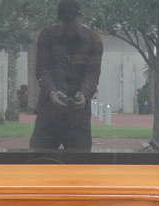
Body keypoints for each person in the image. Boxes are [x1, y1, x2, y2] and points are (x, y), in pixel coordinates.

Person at [29, 0, 103, 151]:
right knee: (38, 162)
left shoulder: (93, 40)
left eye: (72, 21)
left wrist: (84, 93)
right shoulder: (47, 36)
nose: (69, 26)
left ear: (80, 17)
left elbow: (93, 73)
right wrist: (51, 91)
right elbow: (43, 69)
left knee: (80, 166)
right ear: (59, 20)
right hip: (49, 113)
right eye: (65, 22)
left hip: (78, 116)